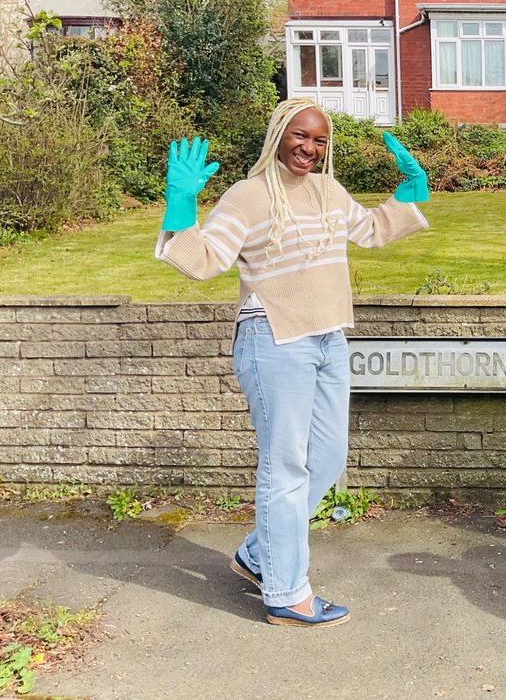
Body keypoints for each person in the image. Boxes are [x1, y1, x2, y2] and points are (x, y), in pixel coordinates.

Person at [155, 97, 430, 627]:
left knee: (326, 459)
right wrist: (180, 206)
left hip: (329, 336)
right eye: (300, 136)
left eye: (320, 139)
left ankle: (260, 554)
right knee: (284, 467)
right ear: (279, 133)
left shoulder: (327, 190)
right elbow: (205, 260)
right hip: (274, 338)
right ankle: (285, 592)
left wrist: (410, 191)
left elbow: (369, 229)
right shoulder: (250, 195)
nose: (310, 147)